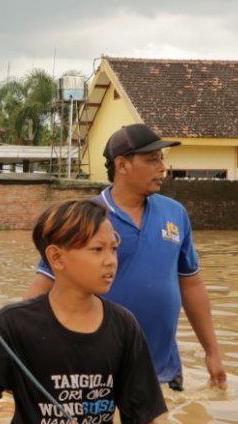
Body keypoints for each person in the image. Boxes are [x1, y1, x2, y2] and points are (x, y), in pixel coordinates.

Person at [0, 199, 167, 424]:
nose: (110, 261)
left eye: (113, 249)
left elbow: (142, 418)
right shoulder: (16, 323)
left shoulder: (124, 326)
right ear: (56, 257)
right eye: (97, 250)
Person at [25, 124, 227, 391]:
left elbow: (191, 284)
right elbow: (44, 286)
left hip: (165, 372)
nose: (162, 168)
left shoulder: (175, 213)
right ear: (122, 165)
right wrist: (19, 350)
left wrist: (212, 352)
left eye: (161, 159)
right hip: (97, 374)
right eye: (152, 159)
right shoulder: (85, 218)